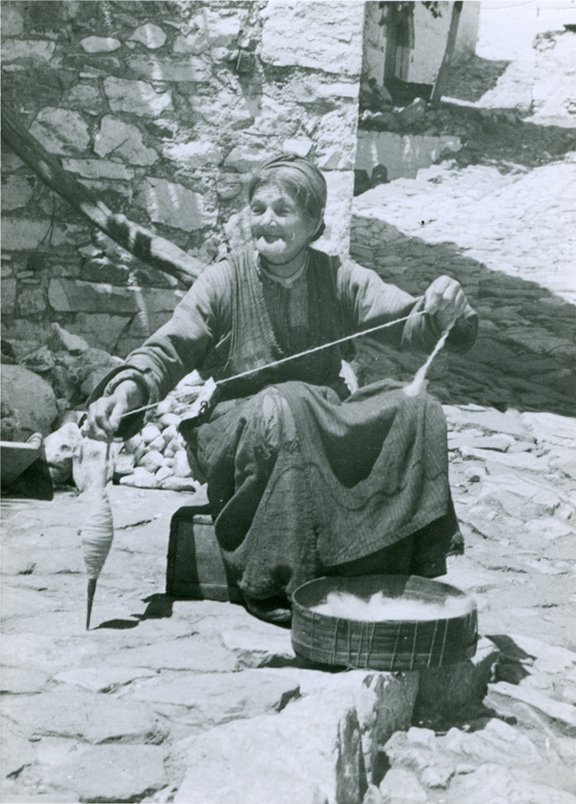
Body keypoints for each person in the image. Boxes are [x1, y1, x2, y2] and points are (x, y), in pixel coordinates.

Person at [85, 154, 478, 624]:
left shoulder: (338, 278)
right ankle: (278, 580)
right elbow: (168, 348)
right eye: (257, 209)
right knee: (284, 404)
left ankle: (387, 561)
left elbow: (409, 321)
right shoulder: (223, 280)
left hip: (317, 420)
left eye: (283, 211)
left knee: (416, 408)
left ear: (314, 223)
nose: (266, 221)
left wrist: (443, 309)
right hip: (240, 429)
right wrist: (128, 390)